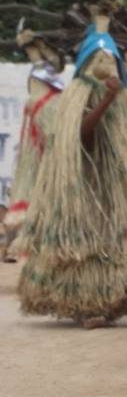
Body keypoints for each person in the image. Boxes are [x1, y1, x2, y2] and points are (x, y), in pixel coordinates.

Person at [18, 0, 127, 329]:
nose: (105, 64)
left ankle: (107, 302)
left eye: (109, 58)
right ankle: (87, 304)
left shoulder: (121, 108)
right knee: (88, 243)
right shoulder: (77, 102)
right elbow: (83, 134)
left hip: (105, 189)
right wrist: (107, 97)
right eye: (99, 59)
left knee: (110, 241)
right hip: (84, 189)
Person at [6, 26, 64, 257]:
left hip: (48, 144)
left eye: (32, 47)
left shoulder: (49, 84)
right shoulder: (40, 77)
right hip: (37, 143)